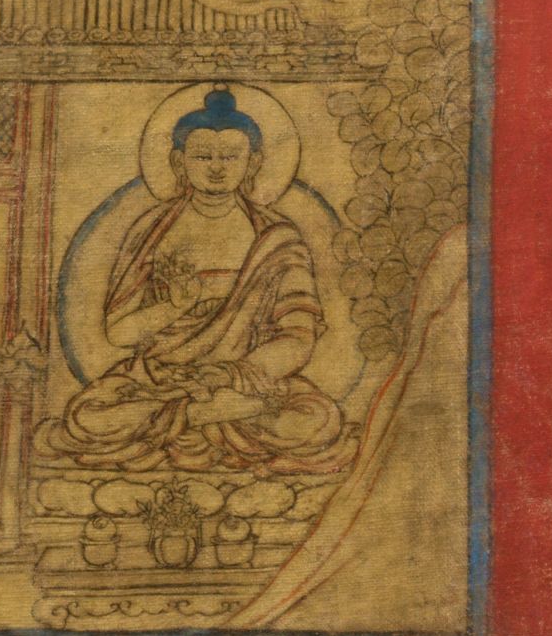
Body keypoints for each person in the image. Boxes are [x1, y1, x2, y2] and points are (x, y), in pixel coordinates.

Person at [55, 94, 351, 480]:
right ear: (178, 162)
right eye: (203, 156)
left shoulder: (278, 237)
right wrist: (174, 307)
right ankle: (200, 415)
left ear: (253, 162)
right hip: (159, 381)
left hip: (241, 381)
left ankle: (190, 418)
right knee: (87, 417)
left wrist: (231, 375)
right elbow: (119, 333)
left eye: (229, 156)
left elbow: (298, 337)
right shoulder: (151, 231)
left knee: (317, 418)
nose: (216, 168)